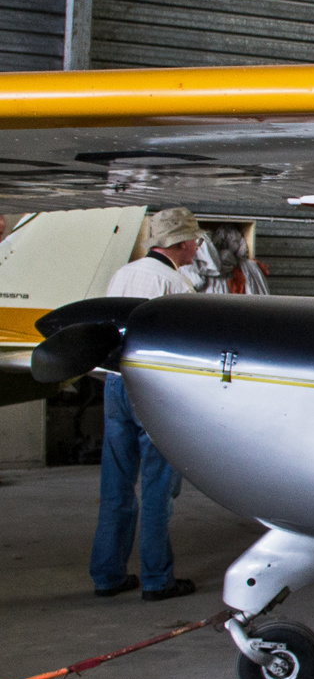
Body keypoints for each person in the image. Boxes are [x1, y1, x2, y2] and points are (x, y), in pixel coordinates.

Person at [90, 207, 202, 601]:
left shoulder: (124, 273)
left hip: (117, 383)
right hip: (155, 392)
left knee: (116, 483)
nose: (198, 247)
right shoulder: (176, 285)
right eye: (197, 241)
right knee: (158, 485)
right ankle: (157, 579)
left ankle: (107, 576)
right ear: (183, 243)